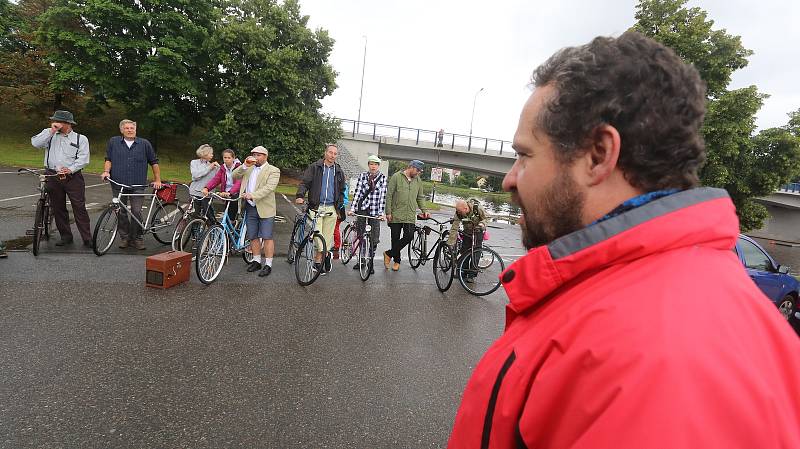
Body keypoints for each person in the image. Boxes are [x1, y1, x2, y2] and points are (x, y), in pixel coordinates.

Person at [448, 32, 800, 449]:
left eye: (525, 156)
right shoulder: (697, 297)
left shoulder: (650, 362)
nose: (509, 177)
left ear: (598, 155)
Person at [30, 110, 92, 247]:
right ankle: (66, 236)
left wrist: (71, 169)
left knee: (79, 207)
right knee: (58, 207)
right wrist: (51, 131)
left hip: (73, 177)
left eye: (58, 121)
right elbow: (36, 143)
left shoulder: (80, 139)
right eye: (54, 121)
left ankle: (87, 238)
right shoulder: (49, 134)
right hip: (52, 175)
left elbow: (84, 158)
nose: (54, 123)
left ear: (67, 123)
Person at [101, 119, 162, 250]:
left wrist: (158, 180)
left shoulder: (144, 144)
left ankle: (137, 238)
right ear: (122, 130)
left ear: (135, 130)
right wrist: (106, 172)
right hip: (118, 183)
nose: (130, 130)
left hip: (138, 184)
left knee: (136, 211)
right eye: (127, 128)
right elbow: (108, 159)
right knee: (121, 211)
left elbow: (154, 162)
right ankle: (125, 237)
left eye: (132, 128)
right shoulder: (114, 142)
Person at [295, 144, 346, 275]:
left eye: (335, 153)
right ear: (325, 153)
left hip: (331, 208)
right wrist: (300, 195)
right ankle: (325, 255)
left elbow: (342, 190)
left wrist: (339, 204)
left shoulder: (338, 171)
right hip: (316, 207)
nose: (332, 155)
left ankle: (318, 262)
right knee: (319, 236)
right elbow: (305, 182)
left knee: (328, 238)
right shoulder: (315, 167)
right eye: (330, 152)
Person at [232, 146, 280, 277]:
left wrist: (252, 195)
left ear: (265, 156)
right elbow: (234, 175)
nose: (255, 157)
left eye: (258, 155)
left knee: (267, 237)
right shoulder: (249, 167)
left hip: (265, 208)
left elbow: (269, 188)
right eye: (253, 154)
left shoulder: (273, 170)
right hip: (250, 207)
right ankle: (256, 260)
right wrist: (244, 165)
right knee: (253, 236)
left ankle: (268, 264)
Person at [384, 159, 429, 271]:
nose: (419, 173)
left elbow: (420, 197)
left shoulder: (418, 180)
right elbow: (389, 195)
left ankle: (388, 253)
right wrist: (388, 212)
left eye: (420, 171)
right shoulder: (396, 177)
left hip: (410, 214)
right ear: (411, 167)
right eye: (417, 170)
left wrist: (424, 210)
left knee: (409, 236)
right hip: (396, 213)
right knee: (395, 238)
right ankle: (397, 261)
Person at [349, 154, 387, 273]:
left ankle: (371, 262)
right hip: (363, 208)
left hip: (375, 210)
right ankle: (361, 260)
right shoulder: (363, 176)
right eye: (371, 164)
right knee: (361, 234)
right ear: (368, 165)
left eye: (375, 164)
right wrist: (353, 208)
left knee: (374, 237)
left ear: (378, 166)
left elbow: (382, 197)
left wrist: (381, 213)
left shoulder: (383, 178)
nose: (373, 166)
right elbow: (358, 193)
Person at [202, 148, 242, 223]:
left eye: (229, 158)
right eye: (225, 157)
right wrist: (206, 188)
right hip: (226, 193)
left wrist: (230, 192)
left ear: (233, 158)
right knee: (227, 215)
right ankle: (227, 228)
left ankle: (233, 226)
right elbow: (216, 179)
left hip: (236, 193)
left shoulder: (239, 168)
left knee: (231, 215)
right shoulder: (223, 168)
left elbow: (238, 183)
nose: (226, 159)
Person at [189, 144, 219, 223]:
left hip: (207, 195)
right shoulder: (194, 163)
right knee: (194, 217)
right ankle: (194, 234)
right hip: (195, 193)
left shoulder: (214, 167)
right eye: (211, 153)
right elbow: (196, 176)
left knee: (210, 216)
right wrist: (209, 168)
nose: (212, 155)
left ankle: (212, 233)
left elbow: (217, 180)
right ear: (205, 153)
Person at [331, 181, 350, 259]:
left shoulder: (343, 185)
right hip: (335, 208)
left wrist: (338, 208)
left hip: (339, 209)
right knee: (333, 228)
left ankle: (337, 245)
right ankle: (336, 244)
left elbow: (345, 199)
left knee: (335, 228)